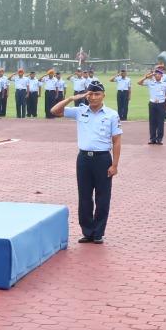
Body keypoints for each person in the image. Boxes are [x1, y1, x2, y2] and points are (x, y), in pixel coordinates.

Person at [51, 80, 121, 243]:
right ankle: (87, 231)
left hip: (103, 159)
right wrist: (71, 99)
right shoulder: (79, 111)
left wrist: (115, 164)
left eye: (97, 94)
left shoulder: (111, 114)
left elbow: (117, 141)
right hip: (83, 159)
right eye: (90, 94)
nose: (93, 97)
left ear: (103, 95)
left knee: (103, 197)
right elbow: (54, 111)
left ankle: (98, 233)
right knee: (84, 197)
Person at [139, 67, 166, 143]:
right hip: (152, 104)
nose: (157, 75)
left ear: (162, 75)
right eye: (156, 74)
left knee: (160, 122)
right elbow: (139, 83)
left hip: (161, 104)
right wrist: (146, 77)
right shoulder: (150, 82)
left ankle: (159, 139)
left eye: (159, 74)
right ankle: (152, 138)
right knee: (152, 122)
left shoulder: (165, 84)